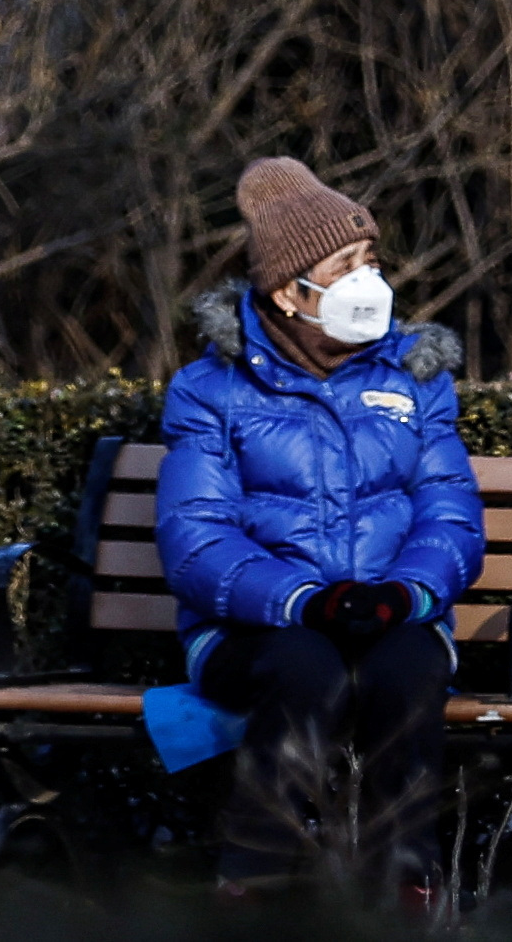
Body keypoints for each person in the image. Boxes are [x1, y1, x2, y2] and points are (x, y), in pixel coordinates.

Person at [155, 156, 486, 900]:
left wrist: (409, 592)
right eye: (346, 265)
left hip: (391, 611)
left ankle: (406, 885)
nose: (370, 279)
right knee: (309, 668)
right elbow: (198, 537)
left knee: (406, 670)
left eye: (371, 259)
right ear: (288, 289)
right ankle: (255, 879)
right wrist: (304, 598)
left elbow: (449, 510)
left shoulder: (414, 377)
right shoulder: (212, 389)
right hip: (255, 625)